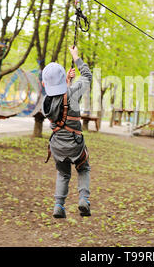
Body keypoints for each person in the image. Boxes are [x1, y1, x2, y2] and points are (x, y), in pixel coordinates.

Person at [41, 46, 92, 218]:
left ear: (44, 83)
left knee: (63, 173)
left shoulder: (45, 102)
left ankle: (59, 206)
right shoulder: (72, 94)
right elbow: (87, 76)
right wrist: (76, 57)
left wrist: (67, 83)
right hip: (75, 145)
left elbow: (58, 98)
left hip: (57, 146)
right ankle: (83, 199)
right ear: (63, 80)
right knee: (83, 168)